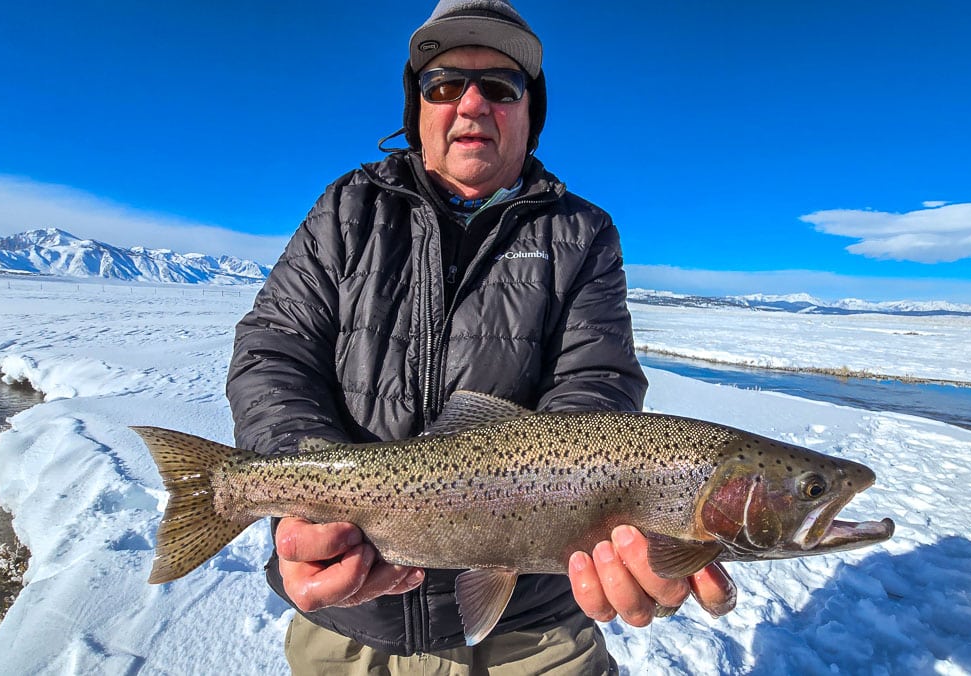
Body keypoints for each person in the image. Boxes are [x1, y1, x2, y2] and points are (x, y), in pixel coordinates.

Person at [226, 1, 736, 672]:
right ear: (418, 109)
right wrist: (310, 498)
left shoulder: (581, 233)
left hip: (533, 625)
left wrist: (567, 501)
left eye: (500, 87)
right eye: (443, 85)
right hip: (351, 619)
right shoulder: (347, 208)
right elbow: (275, 350)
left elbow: (596, 382)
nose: (471, 104)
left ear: (530, 112)